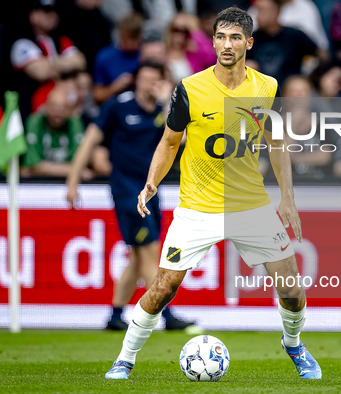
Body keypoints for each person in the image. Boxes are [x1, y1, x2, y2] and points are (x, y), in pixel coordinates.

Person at [104, 7, 322, 380]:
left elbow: (277, 142)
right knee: (163, 287)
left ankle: (294, 343)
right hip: (197, 208)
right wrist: (152, 181)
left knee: (292, 287)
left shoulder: (267, 87)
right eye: (220, 36)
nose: (226, 44)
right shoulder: (190, 88)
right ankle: (124, 358)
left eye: (235, 37)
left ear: (248, 43)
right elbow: (169, 142)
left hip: (250, 205)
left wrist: (287, 198)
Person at [65, 61, 196, 331]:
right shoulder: (118, 107)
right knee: (149, 251)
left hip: (151, 189)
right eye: (145, 78)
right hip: (126, 191)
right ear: (136, 81)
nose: (149, 84)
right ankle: (166, 315)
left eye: (154, 79)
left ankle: (114, 316)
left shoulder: (163, 111)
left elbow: (180, 140)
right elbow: (89, 141)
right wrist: (72, 180)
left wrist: (165, 105)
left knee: (137, 258)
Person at [10, 0, 86, 120]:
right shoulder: (22, 43)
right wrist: (65, 65)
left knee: (83, 80)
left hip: (64, 109)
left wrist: (49, 64)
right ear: (33, 16)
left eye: (55, 11)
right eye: (46, 11)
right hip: (35, 113)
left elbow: (80, 62)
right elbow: (41, 72)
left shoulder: (61, 40)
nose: (52, 15)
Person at [246, 0, 319, 85]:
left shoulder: (294, 36)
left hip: (289, 94)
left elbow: (319, 55)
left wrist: (306, 76)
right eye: (256, 10)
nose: (257, 15)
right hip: (259, 93)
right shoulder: (249, 40)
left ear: (276, 12)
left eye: (261, 10)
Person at [22, 87, 86, 178]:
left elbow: (80, 163)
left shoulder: (74, 122)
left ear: (70, 110)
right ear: (45, 107)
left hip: (67, 181)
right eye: (53, 106)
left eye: (63, 107)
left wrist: (43, 168)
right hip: (38, 183)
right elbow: (33, 165)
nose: (58, 112)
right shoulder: (35, 121)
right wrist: (73, 170)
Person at [93, 12, 143, 104]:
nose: (132, 43)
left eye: (135, 39)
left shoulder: (145, 54)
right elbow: (97, 96)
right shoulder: (105, 57)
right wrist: (116, 86)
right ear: (121, 35)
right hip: (116, 107)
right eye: (129, 38)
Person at [164, 13, 217, 83]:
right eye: (176, 30)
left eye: (184, 31)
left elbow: (211, 56)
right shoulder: (161, 51)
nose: (180, 34)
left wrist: (196, 31)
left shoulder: (194, 54)